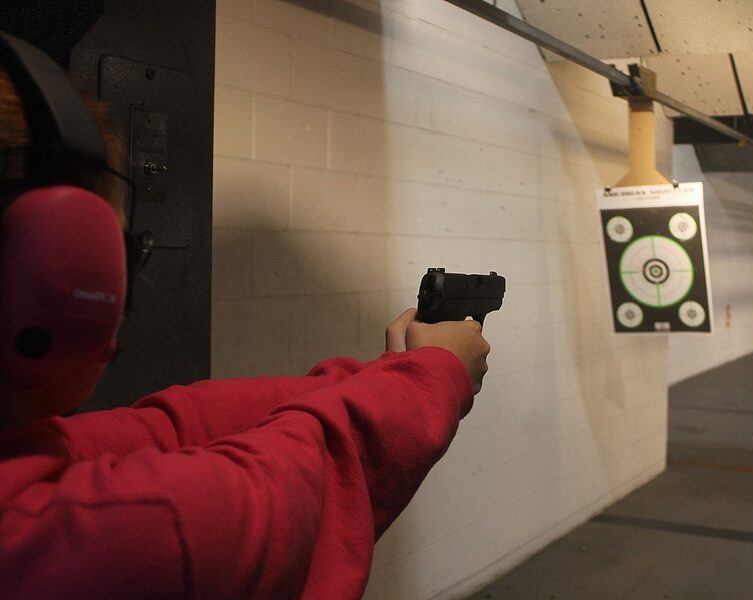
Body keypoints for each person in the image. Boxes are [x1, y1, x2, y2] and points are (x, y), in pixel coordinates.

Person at [0, 33, 491, 599]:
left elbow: (168, 429)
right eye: (118, 254)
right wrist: (435, 377)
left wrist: (386, 376)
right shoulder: (117, 535)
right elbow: (303, 480)